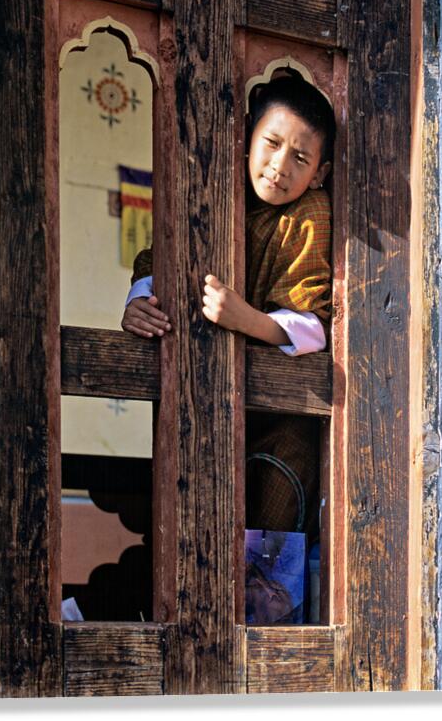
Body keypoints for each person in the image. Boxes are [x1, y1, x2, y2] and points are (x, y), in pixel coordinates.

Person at [121, 70, 335, 541]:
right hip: (206, 398)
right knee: (191, 527)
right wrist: (139, 303)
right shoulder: (216, 197)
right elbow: (159, 262)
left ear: (319, 173)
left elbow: (314, 330)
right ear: (245, 138)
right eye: (272, 143)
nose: (281, 166)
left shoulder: (310, 214)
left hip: (281, 415)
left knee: (268, 549)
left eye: (300, 158)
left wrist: (245, 320)